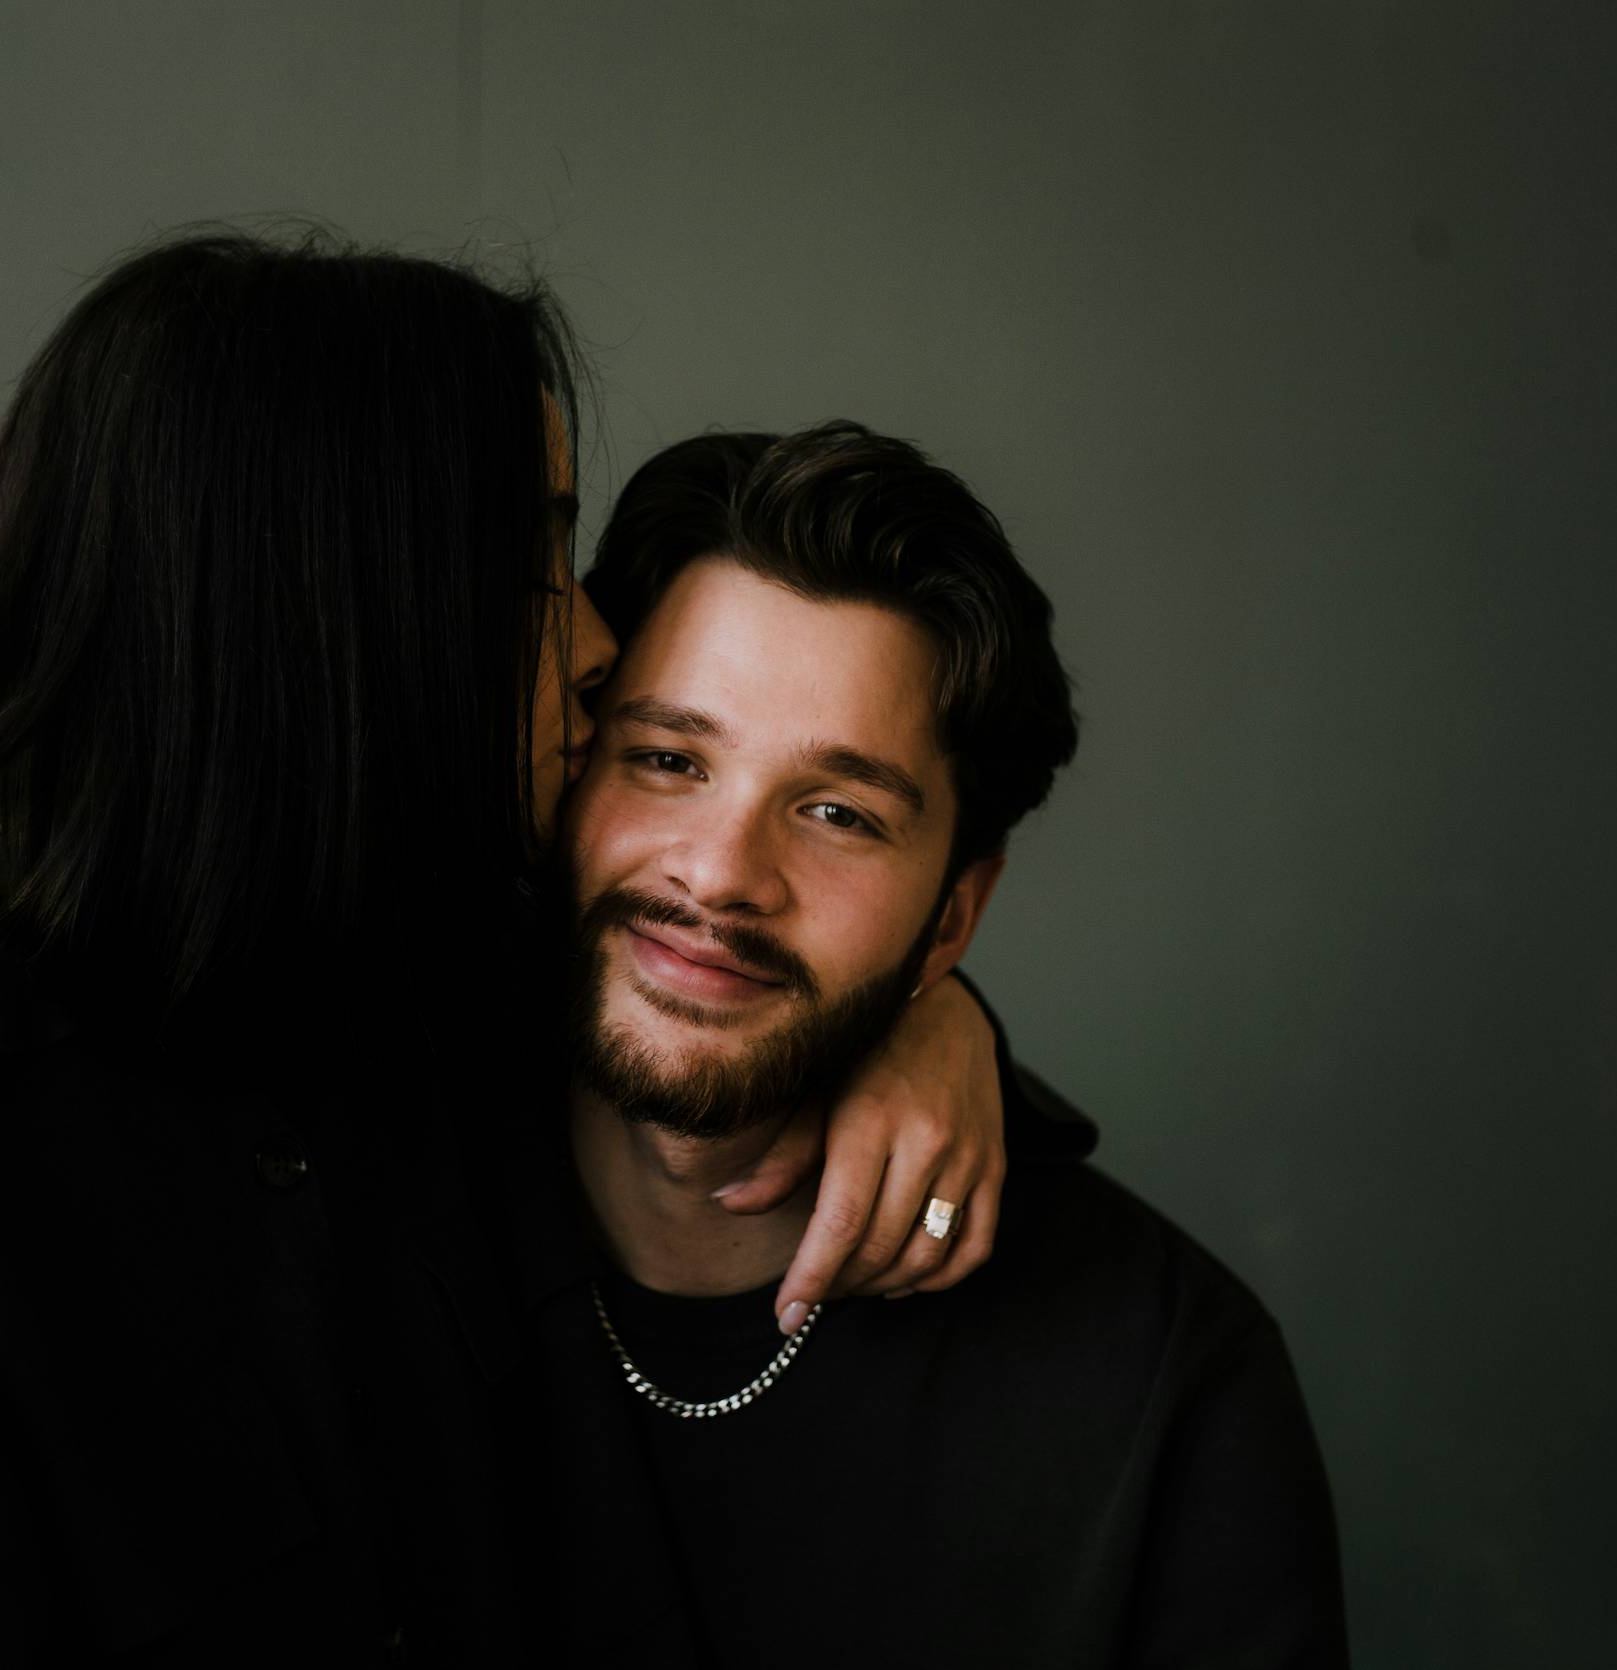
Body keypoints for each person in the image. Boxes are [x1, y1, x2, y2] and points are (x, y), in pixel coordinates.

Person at [0, 233, 1023, 1666]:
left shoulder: (380, 1015)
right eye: (534, 561)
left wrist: (918, 1019)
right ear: (328, 614)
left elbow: (719, 993)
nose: (596, 645)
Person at [523, 423, 1350, 1665]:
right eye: (666, 758)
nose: (722, 872)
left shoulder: (1159, 1378)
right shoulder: (367, 1235)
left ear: (952, 914)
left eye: (838, 812)